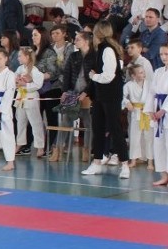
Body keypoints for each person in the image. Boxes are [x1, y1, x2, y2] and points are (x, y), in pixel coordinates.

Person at [82, 21, 130, 179]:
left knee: (115, 129)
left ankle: (124, 164)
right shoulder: (101, 49)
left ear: (99, 33)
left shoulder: (108, 49)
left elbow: (109, 76)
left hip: (111, 95)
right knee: (98, 128)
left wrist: (93, 76)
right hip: (100, 95)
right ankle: (96, 162)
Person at [50, 31, 95, 163]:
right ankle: (57, 150)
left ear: (86, 41)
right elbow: (67, 74)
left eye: (78, 39)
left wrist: (86, 92)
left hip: (88, 95)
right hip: (72, 94)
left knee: (88, 124)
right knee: (65, 122)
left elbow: (94, 78)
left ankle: (86, 150)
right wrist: (64, 91)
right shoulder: (73, 56)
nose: (75, 41)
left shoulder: (94, 57)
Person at [14, 47, 46, 158]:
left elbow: (38, 85)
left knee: (35, 122)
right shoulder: (19, 69)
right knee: (20, 122)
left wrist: (25, 85)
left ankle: (40, 146)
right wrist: (17, 82)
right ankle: (19, 143)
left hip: (31, 97)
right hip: (20, 97)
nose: (18, 58)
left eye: (20, 56)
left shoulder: (34, 70)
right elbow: (14, 80)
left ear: (27, 57)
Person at [150, 44, 168, 187]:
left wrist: (163, 110)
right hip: (157, 109)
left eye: (167, 54)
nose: (163, 57)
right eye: (161, 54)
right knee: (158, 145)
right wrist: (151, 110)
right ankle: (164, 175)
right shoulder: (158, 72)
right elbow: (151, 92)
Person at [123, 63, 153, 170]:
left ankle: (150, 161)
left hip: (148, 114)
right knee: (134, 137)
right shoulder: (129, 85)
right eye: (140, 72)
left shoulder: (150, 84)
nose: (143, 74)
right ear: (133, 76)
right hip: (136, 113)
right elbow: (122, 96)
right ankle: (134, 160)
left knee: (148, 138)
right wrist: (127, 102)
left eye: (143, 71)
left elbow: (154, 97)